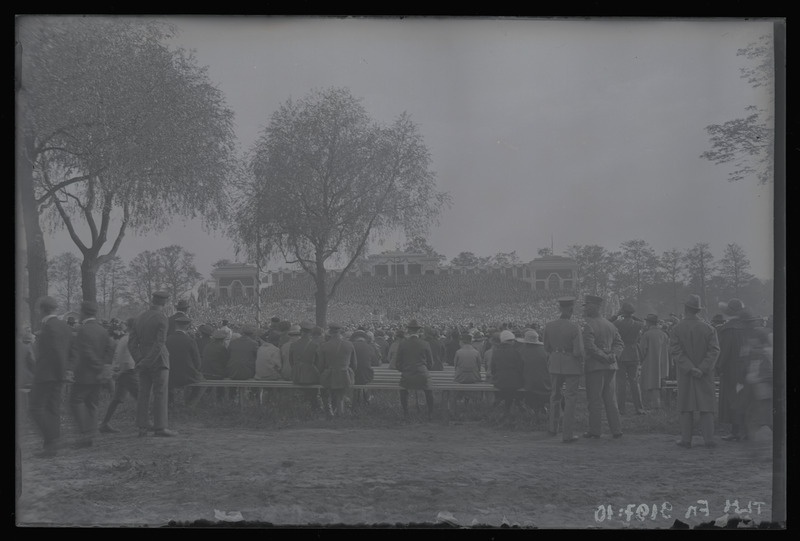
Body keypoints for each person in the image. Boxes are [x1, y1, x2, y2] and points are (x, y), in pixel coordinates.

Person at [669, 294, 720, 449]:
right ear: (698, 310)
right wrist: (702, 368)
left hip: (685, 373)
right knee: (706, 406)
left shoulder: (676, 328)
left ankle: (686, 440)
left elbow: (676, 351)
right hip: (704, 374)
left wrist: (690, 368)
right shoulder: (709, 328)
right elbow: (714, 351)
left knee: (685, 405)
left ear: (685, 309)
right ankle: (709, 439)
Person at [28, 296, 73, 458]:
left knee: (34, 408)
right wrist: (67, 372)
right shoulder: (64, 327)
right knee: (52, 409)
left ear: (42, 310)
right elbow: (70, 352)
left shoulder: (48, 328)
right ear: (54, 309)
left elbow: (56, 353)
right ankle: (50, 447)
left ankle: (53, 441)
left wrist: (61, 372)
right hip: (58, 375)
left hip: (47, 375)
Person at [128, 290, 177, 437]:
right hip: (159, 360)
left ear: (152, 300)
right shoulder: (162, 318)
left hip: (142, 360)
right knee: (160, 393)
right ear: (165, 302)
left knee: (143, 393)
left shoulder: (139, 317)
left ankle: (142, 427)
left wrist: (140, 360)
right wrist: (148, 360)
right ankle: (160, 427)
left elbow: (131, 343)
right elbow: (159, 343)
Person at [68, 301, 115, 448]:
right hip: (98, 376)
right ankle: (91, 434)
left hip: (85, 375)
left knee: (75, 401)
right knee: (92, 403)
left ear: (83, 312)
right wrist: (104, 367)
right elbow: (110, 349)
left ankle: (86, 435)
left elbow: (87, 353)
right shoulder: (102, 330)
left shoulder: (83, 330)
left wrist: (99, 367)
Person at [581, 294, 624, 439]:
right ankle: (616, 430)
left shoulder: (588, 325)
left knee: (594, 400)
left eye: (586, 306)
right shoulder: (610, 324)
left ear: (593, 307)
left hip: (595, 367)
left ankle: (595, 430)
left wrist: (604, 356)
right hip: (611, 366)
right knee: (611, 400)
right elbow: (619, 344)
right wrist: (613, 356)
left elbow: (589, 346)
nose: (585, 309)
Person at [544, 296, 584, 443]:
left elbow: (546, 347)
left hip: (555, 363)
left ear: (559, 309)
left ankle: (552, 428)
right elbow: (578, 351)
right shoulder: (575, 327)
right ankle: (567, 434)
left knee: (554, 396)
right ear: (571, 310)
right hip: (571, 365)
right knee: (570, 398)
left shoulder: (549, 325)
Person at [715, 298, 749, 442]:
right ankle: (745, 431)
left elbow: (725, 351)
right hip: (747, 368)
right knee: (745, 398)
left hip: (731, 370)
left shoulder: (728, 329)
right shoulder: (747, 326)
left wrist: (718, 367)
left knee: (733, 400)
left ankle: (736, 432)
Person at [99, 317, 140, 433]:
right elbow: (127, 359)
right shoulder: (130, 339)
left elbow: (118, 356)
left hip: (121, 372)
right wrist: (124, 371)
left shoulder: (124, 338)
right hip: (128, 372)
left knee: (116, 399)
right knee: (141, 396)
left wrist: (116, 371)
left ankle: (104, 423)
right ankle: (144, 423)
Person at [395, 319, 435, 419]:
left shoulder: (403, 344)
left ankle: (406, 412)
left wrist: (404, 369)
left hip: (407, 376)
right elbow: (431, 363)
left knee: (403, 391)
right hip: (422, 375)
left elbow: (397, 363)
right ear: (418, 331)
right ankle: (430, 413)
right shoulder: (425, 344)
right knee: (428, 391)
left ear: (408, 331)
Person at [612, 302, 646, 415]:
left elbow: (607, 323)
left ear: (623, 312)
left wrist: (617, 314)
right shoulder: (638, 324)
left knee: (620, 383)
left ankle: (621, 409)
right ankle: (639, 408)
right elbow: (642, 322)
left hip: (621, 354)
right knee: (635, 382)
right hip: (633, 354)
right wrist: (632, 315)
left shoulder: (617, 323)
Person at [318, 323, 357, 417]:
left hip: (329, 376)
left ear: (330, 333)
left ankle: (331, 413)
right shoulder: (349, 344)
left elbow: (321, 365)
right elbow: (354, 364)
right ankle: (340, 413)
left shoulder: (324, 346)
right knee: (340, 396)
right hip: (345, 375)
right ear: (340, 332)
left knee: (328, 393)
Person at [166, 315, 203, 407]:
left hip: (170, 375)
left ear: (176, 325)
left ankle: (170, 402)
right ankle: (190, 404)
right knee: (201, 382)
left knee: (169, 386)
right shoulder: (190, 340)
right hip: (187, 376)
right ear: (187, 326)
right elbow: (197, 363)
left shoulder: (167, 340)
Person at [490, 330, 525, 421]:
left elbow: (492, 369)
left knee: (505, 389)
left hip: (499, 381)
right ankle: (509, 409)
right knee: (511, 389)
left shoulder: (496, 352)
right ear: (510, 341)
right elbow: (520, 368)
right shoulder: (516, 352)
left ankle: (502, 407)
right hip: (515, 382)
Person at [288, 321, 322, 411]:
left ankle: (302, 407)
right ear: (310, 333)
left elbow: (291, 362)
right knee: (313, 393)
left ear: (301, 332)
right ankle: (313, 408)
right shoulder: (315, 345)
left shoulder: (293, 345)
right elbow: (318, 363)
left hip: (296, 376)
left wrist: (297, 369)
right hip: (310, 376)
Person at [638, 313, 670, 410]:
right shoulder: (664, 334)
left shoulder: (646, 334)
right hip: (663, 363)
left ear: (648, 323)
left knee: (650, 383)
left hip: (650, 362)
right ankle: (663, 404)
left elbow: (642, 351)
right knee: (661, 383)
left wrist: (640, 360)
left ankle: (653, 405)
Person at [517, 329, 550, 415]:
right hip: (546, 383)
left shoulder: (521, 351)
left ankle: (530, 407)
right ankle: (540, 407)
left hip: (529, 385)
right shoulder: (546, 351)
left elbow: (519, 370)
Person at [350, 329, 377, 407]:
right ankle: (367, 399)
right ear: (364, 338)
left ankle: (355, 402)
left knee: (356, 382)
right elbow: (375, 363)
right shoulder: (370, 347)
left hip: (352, 375)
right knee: (364, 381)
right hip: (366, 376)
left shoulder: (350, 346)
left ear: (354, 338)